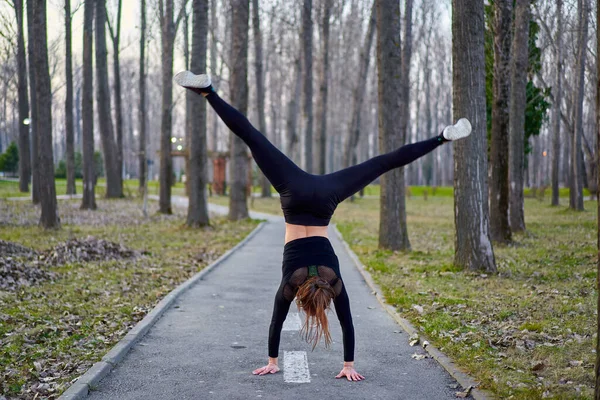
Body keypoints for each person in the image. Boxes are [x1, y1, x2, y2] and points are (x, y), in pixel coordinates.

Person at [174, 71, 472, 382]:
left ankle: (442, 137)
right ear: (301, 296)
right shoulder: (291, 282)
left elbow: (347, 323)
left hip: (325, 197)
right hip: (294, 193)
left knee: (380, 162)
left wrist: (349, 364)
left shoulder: (334, 282)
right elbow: (277, 321)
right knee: (252, 137)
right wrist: (272, 360)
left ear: (323, 293)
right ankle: (208, 92)